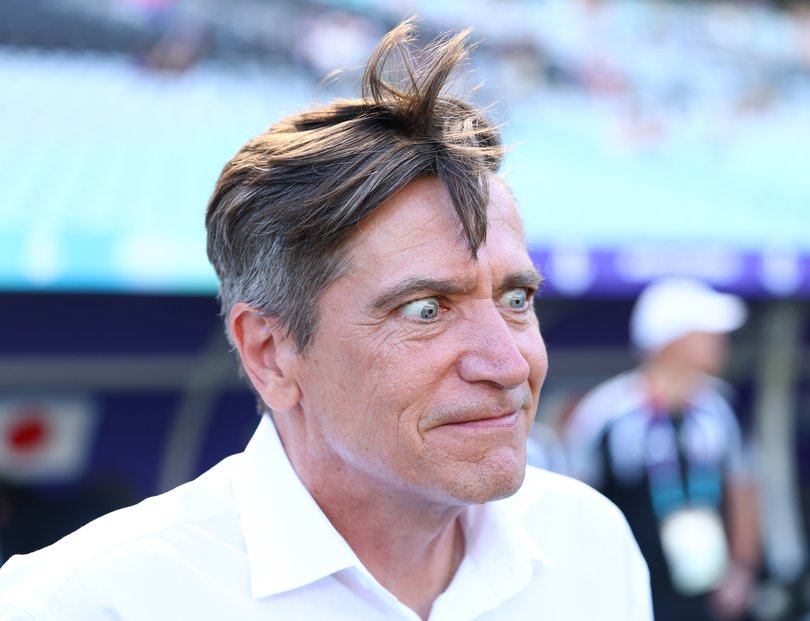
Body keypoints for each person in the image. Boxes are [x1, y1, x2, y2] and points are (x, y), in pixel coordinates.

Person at [0, 21, 652, 620]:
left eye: (516, 300)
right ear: (270, 354)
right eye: (425, 309)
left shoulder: (590, 543)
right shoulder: (84, 601)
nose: (509, 363)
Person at [565, 277, 761, 621]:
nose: (721, 341)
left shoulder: (719, 409)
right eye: (707, 331)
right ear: (673, 339)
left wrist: (742, 569)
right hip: (631, 588)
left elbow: (742, 488)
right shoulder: (606, 412)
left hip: (707, 593)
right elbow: (577, 500)